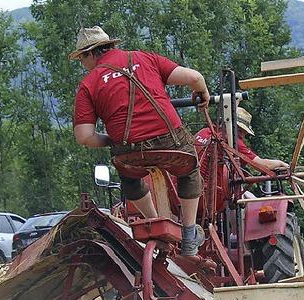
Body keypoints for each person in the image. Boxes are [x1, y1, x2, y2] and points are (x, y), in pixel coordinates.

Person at [71, 26, 210, 256]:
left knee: (130, 179)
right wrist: (202, 93)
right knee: (189, 170)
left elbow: (84, 136)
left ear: (90, 53)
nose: (81, 64)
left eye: (81, 58)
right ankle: (188, 235)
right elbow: (194, 77)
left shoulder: (88, 84)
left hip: (129, 150)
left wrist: (113, 141)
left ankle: (155, 223)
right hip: (170, 140)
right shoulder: (144, 58)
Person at [195, 107, 289, 174]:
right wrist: (281, 163)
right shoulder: (234, 142)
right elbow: (263, 165)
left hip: (186, 192)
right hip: (215, 196)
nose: (243, 136)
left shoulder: (204, 132)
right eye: (244, 132)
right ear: (240, 130)